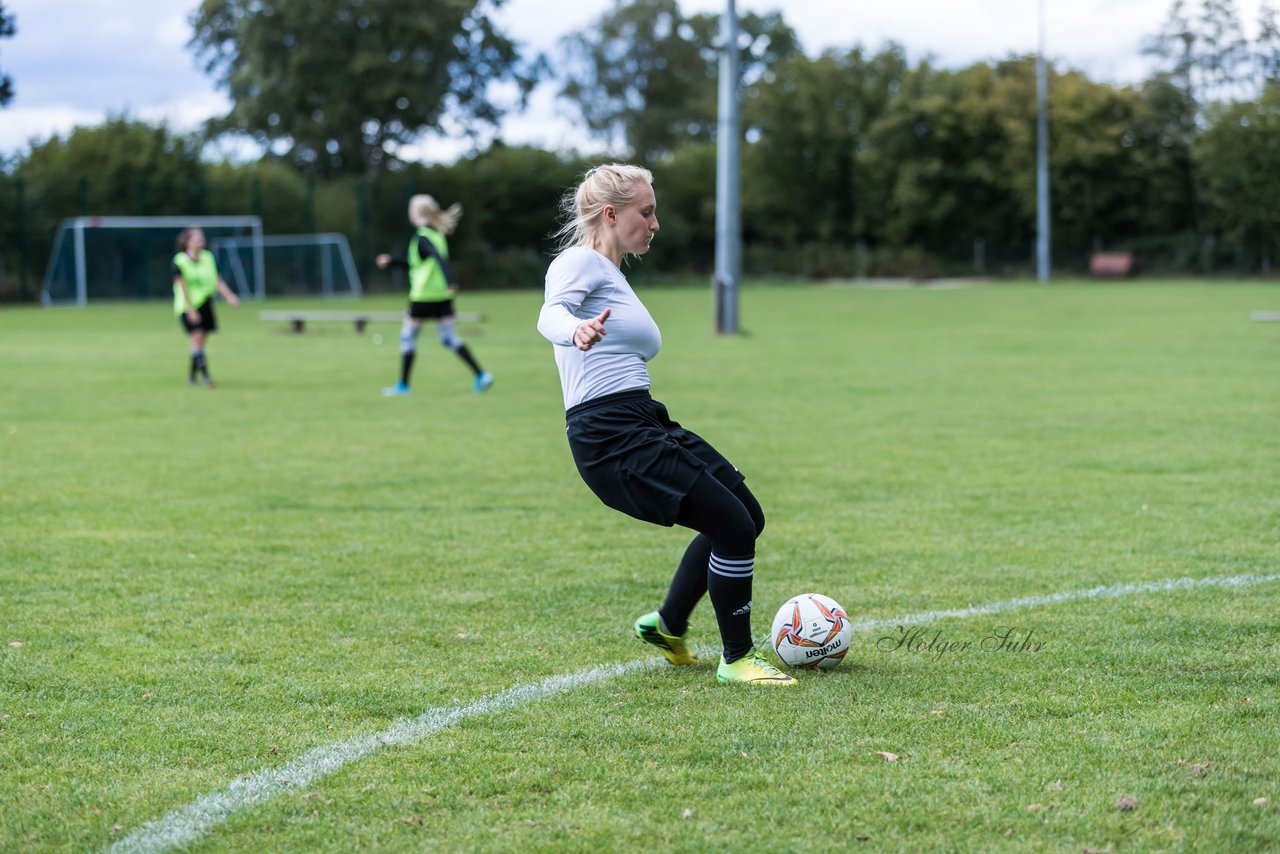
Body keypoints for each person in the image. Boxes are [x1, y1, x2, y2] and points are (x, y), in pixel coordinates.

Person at [537, 165, 795, 686]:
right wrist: (576, 330)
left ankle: (668, 624)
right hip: (610, 433)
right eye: (646, 212)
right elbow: (550, 314)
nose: (655, 224)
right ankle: (737, 658)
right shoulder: (579, 262)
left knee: (746, 514)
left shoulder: (612, 274)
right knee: (734, 527)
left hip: (641, 417)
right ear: (611, 215)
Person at [376, 194, 494, 396]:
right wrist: (393, 262)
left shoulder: (422, 237)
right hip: (442, 297)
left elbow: (438, 259)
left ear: (416, 213)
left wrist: (450, 280)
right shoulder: (437, 236)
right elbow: (418, 263)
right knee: (449, 338)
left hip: (422, 297)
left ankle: (403, 386)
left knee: (407, 338)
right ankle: (481, 375)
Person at [172, 226, 240, 388]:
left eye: (201, 238)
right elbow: (182, 286)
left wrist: (229, 296)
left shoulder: (208, 257)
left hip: (205, 303)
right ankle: (206, 377)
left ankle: (192, 376)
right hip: (187, 306)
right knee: (196, 338)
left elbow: (217, 279)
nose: (200, 241)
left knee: (200, 343)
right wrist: (190, 309)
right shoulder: (180, 260)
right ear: (187, 242)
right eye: (196, 238)